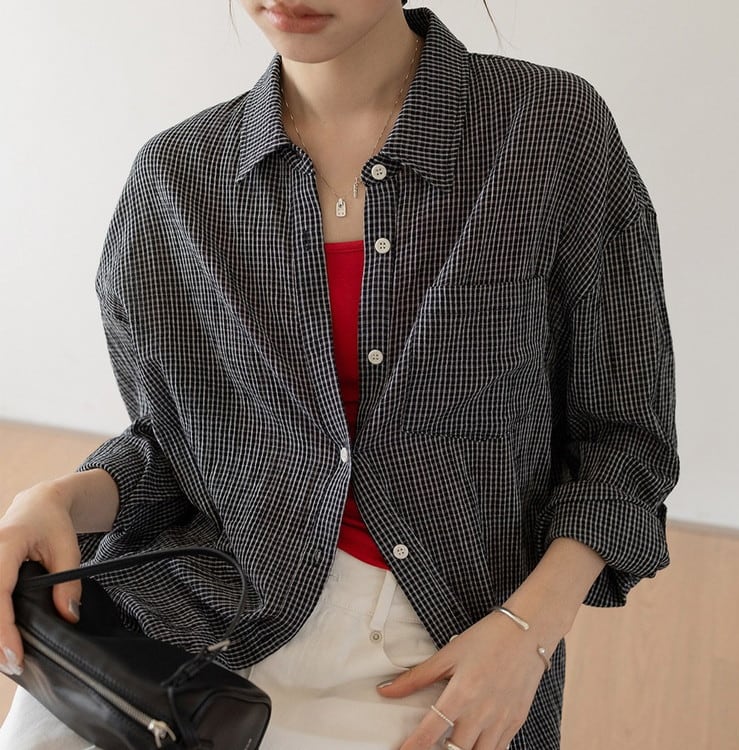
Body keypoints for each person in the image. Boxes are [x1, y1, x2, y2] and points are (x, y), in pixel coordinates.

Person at [0, 1, 679, 749]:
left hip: (442, 637)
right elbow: (178, 451)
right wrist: (56, 499)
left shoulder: (548, 129)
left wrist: (526, 635)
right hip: (198, 617)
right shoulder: (173, 178)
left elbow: (625, 440)